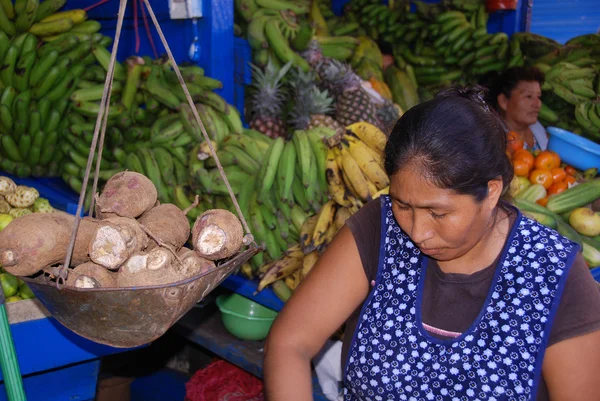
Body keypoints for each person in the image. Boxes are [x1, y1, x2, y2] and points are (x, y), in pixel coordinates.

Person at [263, 86, 600, 401]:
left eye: (438, 213)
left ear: (491, 191)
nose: (417, 232)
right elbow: (291, 343)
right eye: (403, 206)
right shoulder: (379, 228)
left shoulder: (551, 273)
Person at [489, 67, 549, 151]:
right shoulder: (495, 143)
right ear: (504, 101)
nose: (537, 104)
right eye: (528, 96)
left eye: (538, 96)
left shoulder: (537, 127)